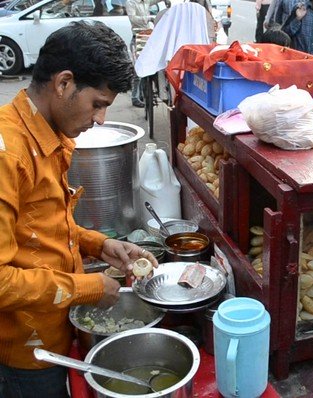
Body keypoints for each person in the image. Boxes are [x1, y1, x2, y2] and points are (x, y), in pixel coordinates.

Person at [0, 21, 158, 398]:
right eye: (98, 104)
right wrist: (85, 287)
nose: (100, 119)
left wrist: (97, 245)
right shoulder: (9, 154)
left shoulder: (49, 135)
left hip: (56, 331)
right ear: (64, 83)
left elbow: (43, 224)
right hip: (25, 351)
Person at [126, 0, 170, 107]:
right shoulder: (131, 2)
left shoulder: (146, 1)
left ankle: (156, 91)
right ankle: (135, 97)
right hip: (138, 36)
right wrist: (148, 18)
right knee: (138, 68)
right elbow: (133, 18)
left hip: (148, 35)